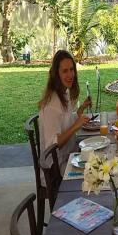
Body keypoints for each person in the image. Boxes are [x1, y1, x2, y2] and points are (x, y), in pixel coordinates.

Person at [38, 50, 91, 179]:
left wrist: (80, 110)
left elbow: (65, 121)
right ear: (56, 74)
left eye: (72, 69)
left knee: (99, 154)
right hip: (55, 168)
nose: (70, 75)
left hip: (69, 155)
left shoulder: (63, 93)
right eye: (65, 71)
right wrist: (76, 126)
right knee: (95, 172)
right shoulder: (51, 105)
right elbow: (53, 145)